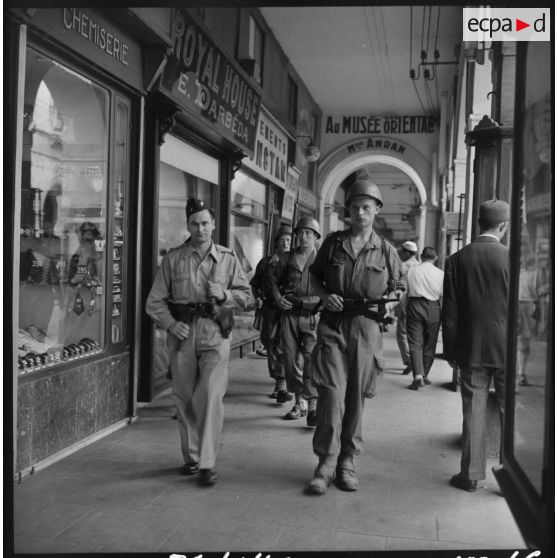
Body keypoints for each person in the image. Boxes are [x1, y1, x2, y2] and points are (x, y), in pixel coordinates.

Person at [146, 198, 251, 486]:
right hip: (182, 335)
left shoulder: (229, 258)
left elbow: (247, 297)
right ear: (188, 225)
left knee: (210, 394)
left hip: (215, 333)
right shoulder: (173, 258)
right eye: (195, 223)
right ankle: (192, 458)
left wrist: (225, 295)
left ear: (213, 224)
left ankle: (207, 462)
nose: (201, 228)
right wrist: (169, 323)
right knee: (185, 397)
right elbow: (154, 302)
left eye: (205, 223)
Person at [306, 179, 402, 494]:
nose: (360, 212)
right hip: (334, 324)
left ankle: (347, 460)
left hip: (367, 327)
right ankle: (326, 462)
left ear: (376, 210)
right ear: (347, 210)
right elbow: (315, 276)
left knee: (355, 398)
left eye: (366, 207)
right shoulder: (333, 244)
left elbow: (399, 288)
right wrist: (324, 296)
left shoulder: (387, 250)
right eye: (355, 207)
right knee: (332, 394)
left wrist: (390, 308)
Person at [442, 199, 510, 492]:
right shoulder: (512, 258)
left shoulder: (457, 260)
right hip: (509, 348)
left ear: (479, 224)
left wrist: (452, 352)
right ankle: (511, 474)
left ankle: (470, 475)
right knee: (512, 411)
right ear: (504, 226)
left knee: (474, 410)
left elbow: (451, 314)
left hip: (471, 348)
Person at [270, 216, 322, 426]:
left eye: (308, 233)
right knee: (291, 360)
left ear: (316, 236)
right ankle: (299, 402)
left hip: (312, 316)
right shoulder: (285, 259)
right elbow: (272, 280)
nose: (303, 237)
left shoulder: (322, 261)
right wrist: (277, 297)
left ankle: (313, 407)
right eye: (300, 233)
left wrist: (321, 300)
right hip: (289, 314)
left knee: (311, 360)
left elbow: (332, 286)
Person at [250, 225, 293, 399]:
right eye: (282, 239)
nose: (285, 243)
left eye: (289, 240)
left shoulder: (295, 261)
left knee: (284, 344)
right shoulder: (266, 262)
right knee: (271, 344)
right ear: (276, 242)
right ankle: (279, 380)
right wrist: (257, 299)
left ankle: (281, 383)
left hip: (289, 310)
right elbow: (255, 284)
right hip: (269, 309)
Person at [405, 246, 444, 390]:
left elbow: (405, 290)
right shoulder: (440, 274)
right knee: (430, 342)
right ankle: (425, 374)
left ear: (421, 256)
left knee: (415, 342)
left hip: (415, 305)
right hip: (433, 307)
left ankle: (418, 377)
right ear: (436, 258)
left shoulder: (411, 271)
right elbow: (442, 294)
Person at [394, 240, 420, 375]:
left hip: (405, 302)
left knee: (402, 334)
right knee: (414, 334)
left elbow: (400, 288)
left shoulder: (403, 266)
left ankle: (409, 360)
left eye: (401, 252)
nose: (400, 254)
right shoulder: (420, 265)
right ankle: (417, 363)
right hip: (419, 304)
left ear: (407, 252)